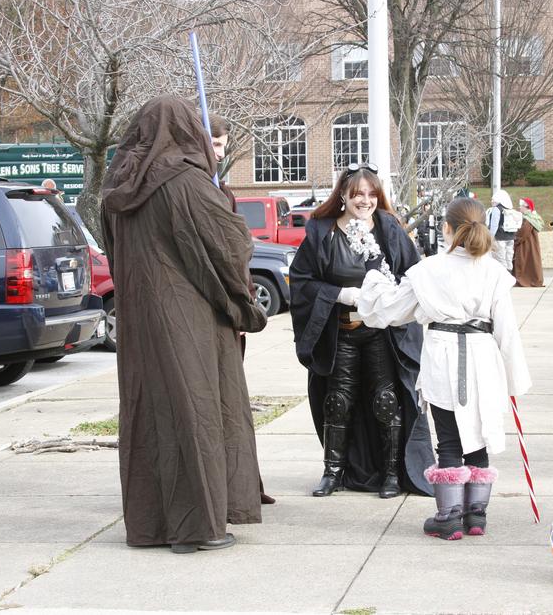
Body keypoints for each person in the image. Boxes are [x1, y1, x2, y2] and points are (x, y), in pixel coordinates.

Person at [100, 95, 267, 554]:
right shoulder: (186, 182)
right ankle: (200, 527)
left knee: (150, 416)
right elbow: (228, 247)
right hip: (188, 319)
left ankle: (151, 526)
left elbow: (114, 253)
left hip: (139, 320)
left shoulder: (115, 190)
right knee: (196, 414)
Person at [358, 197, 532, 540]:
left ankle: (449, 516)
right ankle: (476, 515)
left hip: (443, 357)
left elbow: (389, 311)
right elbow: (507, 330)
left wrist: (375, 280)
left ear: (447, 228)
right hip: (483, 358)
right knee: (479, 436)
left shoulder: (429, 270)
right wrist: (513, 379)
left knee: (449, 440)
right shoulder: (495, 272)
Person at [289, 163, 434, 499]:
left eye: (371, 194)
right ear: (344, 195)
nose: (365, 200)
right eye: (357, 194)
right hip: (341, 333)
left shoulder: (389, 230)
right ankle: (333, 472)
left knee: (387, 401)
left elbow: (412, 276)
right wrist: (338, 295)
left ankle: (391, 474)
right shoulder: (322, 233)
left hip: (381, 334)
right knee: (337, 402)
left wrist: (388, 298)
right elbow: (302, 281)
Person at [209, 114, 276, 506]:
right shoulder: (194, 191)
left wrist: (244, 301)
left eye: (222, 145)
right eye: (213, 144)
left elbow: (237, 254)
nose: (219, 153)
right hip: (208, 315)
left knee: (233, 402)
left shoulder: (224, 194)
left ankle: (245, 483)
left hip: (231, 314)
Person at [485, 190, 522, 272]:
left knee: (500, 260)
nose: (492, 201)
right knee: (509, 259)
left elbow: (494, 226)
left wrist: (490, 238)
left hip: (499, 238)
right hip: (510, 238)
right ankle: (509, 276)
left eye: (493, 199)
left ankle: (503, 279)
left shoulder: (496, 209)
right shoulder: (509, 209)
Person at [513, 197, 544, 287]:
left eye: (521, 206)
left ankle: (526, 280)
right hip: (530, 243)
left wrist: (515, 238)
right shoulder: (532, 217)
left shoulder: (527, 219)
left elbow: (523, 233)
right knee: (532, 261)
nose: (519, 208)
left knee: (525, 261)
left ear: (526, 207)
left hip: (526, 244)